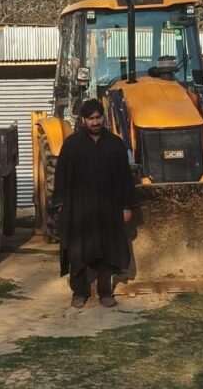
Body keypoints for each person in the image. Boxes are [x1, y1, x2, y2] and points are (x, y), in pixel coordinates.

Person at [54, 99, 136, 309]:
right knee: (77, 251)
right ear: (83, 120)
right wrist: (60, 204)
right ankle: (79, 293)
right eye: (91, 119)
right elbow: (60, 176)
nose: (95, 122)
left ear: (103, 118)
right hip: (78, 208)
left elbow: (126, 178)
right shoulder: (72, 145)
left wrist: (127, 206)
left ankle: (105, 293)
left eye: (98, 117)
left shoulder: (115, 144)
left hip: (108, 208)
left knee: (107, 250)